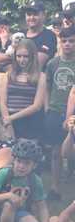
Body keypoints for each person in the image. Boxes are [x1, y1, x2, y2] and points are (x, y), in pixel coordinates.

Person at [45, 26, 75, 201]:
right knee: (55, 151)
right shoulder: (52, 63)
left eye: (71, 41)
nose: (68, 44)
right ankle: (55, 187)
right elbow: (47, 87)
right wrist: (48, 107)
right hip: (55, 111)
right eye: (64, 41)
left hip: (72, 114)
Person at [0, 39, 46, 141]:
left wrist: (11, 118)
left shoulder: (40, 76)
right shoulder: (9, 75)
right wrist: (7, 121)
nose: (22, 59)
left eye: (25, 56)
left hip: (28, 120)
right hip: (8, 118)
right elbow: (2, 102)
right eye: (19, 56)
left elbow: (37, 106)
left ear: (32, 57)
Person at [23, 0, 58, 69]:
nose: (31, 17)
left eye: (35, 14)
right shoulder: (20, 34)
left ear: (44, 15)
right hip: (19, 77)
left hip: (40, 77)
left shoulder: (49, 36)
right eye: (29, 14)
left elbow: (37, 64)